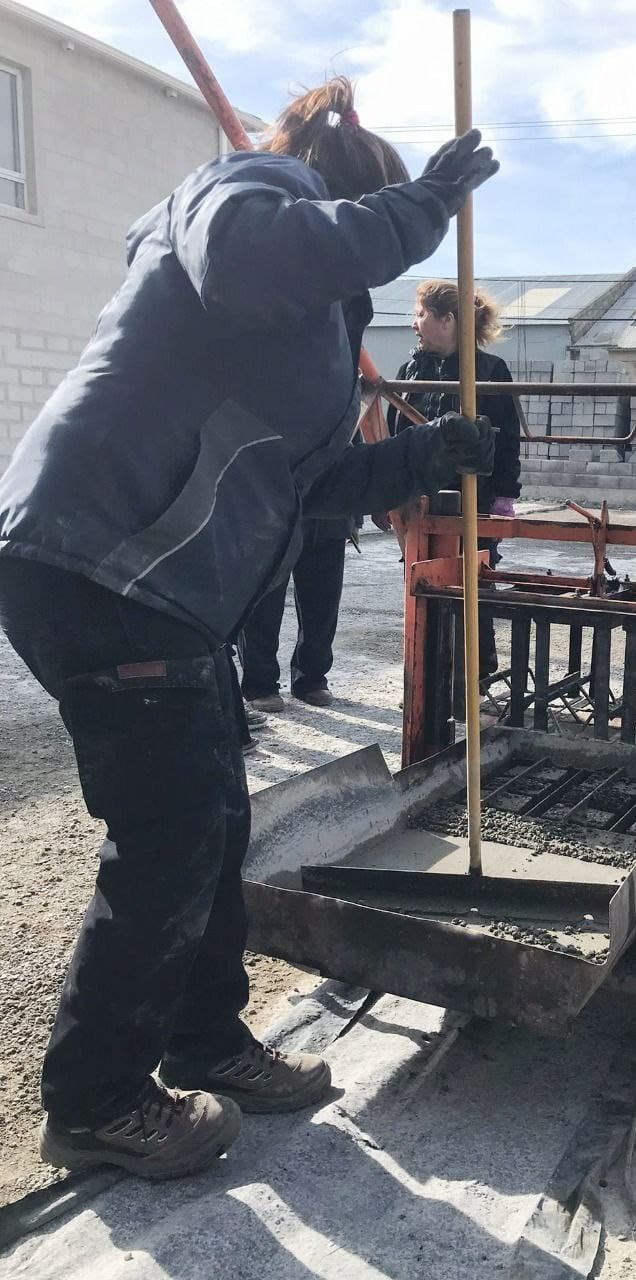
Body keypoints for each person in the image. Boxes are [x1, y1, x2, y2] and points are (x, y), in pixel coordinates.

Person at [0, 77, 497, 1180]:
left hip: (154, 580)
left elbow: (306, 485)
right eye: (369, 232)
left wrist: (427, 457)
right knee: (170, 832)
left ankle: (207, 1040)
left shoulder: (305, 329)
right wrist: (425, 206)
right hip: (103, 549)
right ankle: (96, 1102)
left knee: (214, 817)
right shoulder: (244, 192)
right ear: (342, 200)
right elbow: (261, 254)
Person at [386, 281, 522, 678]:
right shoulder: (409, 371)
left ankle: (473, 680)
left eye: (421, 315)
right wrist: (386, 492)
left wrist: (504, 497)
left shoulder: (490, 371)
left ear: (447, 320)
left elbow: (508, 438)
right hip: (417, 498)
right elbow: (395, 438)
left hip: (470, 498)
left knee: (471, 585)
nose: (414, 324)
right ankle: (424, 681)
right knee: (421, 584)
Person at [238, 515, 355, 711]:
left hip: (329, 513)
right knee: (262, 604)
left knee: (323, 602)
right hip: (268, 512)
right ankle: (260, 685)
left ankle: (311, 678)